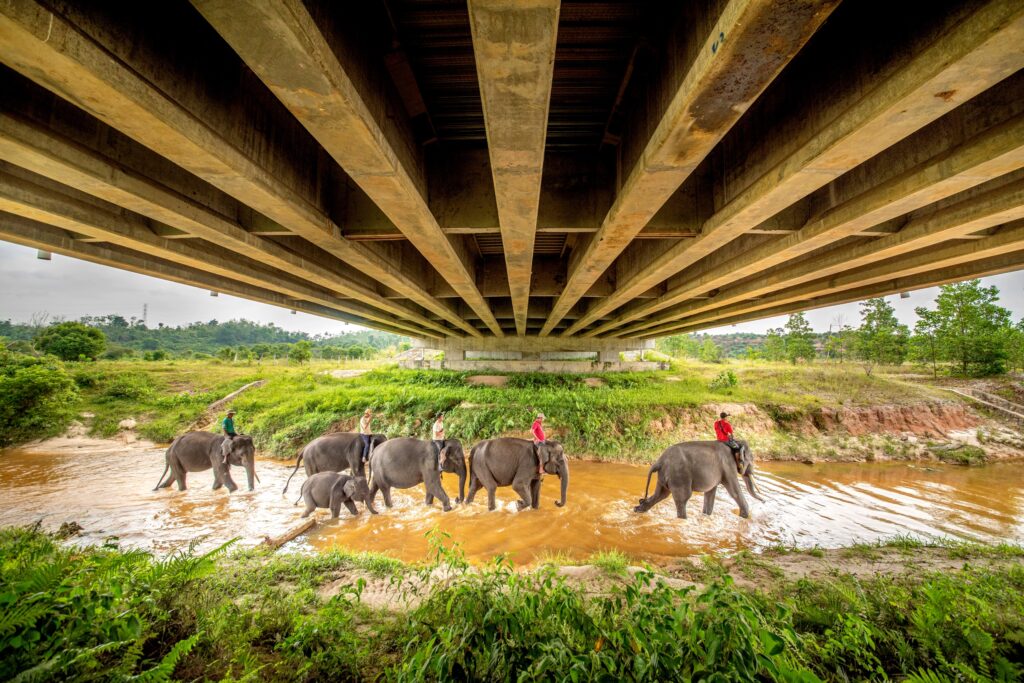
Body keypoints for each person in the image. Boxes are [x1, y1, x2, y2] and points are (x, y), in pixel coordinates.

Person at [531, 412, 546, 476]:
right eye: (542, 419)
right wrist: (536, 438)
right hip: (539, 442)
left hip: (541, 441)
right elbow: (531, 431)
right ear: (539, 418)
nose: (543, 420)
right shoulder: (535, 423)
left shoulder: (539, 424)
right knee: (541, 454)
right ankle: (541, 469)